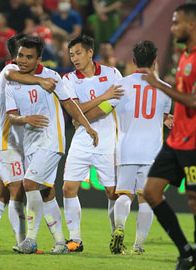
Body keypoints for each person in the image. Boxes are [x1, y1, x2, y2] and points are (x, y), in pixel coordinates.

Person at [141, 3, 196, 270]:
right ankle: (186, 252)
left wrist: (159, 84)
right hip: (177, 139)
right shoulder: (185, 55)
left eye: (176, 23)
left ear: (192, 25)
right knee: (151, 191)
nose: (172, 27)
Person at [6, 36, 98, 254]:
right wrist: (25, 120)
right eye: (20, 55)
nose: (23, 60)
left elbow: (70, 105)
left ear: (39, 59)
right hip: (30, 143)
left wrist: (87, 126)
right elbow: (11, 116)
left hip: (51, 140)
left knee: (29, 184)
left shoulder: (52, 77)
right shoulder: (12, 80)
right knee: (46, 192)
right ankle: (59, 242)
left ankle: (30, 240)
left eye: (29, 57)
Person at [0, 33, 58, 251]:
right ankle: (23, 242)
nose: (25, 60)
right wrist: (41, 79)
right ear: (16, 55)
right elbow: (21, 79)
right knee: (18, 191)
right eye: (22, 54)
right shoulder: (9, 73)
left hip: (12, 142)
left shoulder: (19, 73)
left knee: (2, 194)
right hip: (7, 141)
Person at [105, 40, 172, 255]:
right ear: (154, 62)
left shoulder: (120, 86)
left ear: (133, 61)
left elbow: (108, 110)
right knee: (147, 199)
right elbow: (161, 118)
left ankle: (120, 227)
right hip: (152, 151)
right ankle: (138, 245)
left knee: (124, 194)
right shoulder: (166, 89)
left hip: (126, 148)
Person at [61, 35, 123, 252]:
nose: (74, 58)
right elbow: (73, 110)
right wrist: (102, 97)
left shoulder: (112, 73)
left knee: (112, 192)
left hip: (107, 141)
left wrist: (81, 115)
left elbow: (111, 105)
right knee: (69, 188)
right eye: (71, 55)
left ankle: (117, 237)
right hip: (81, 141)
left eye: (78, 53)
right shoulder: (69, 79)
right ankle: (75, 240)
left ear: (89, 52)